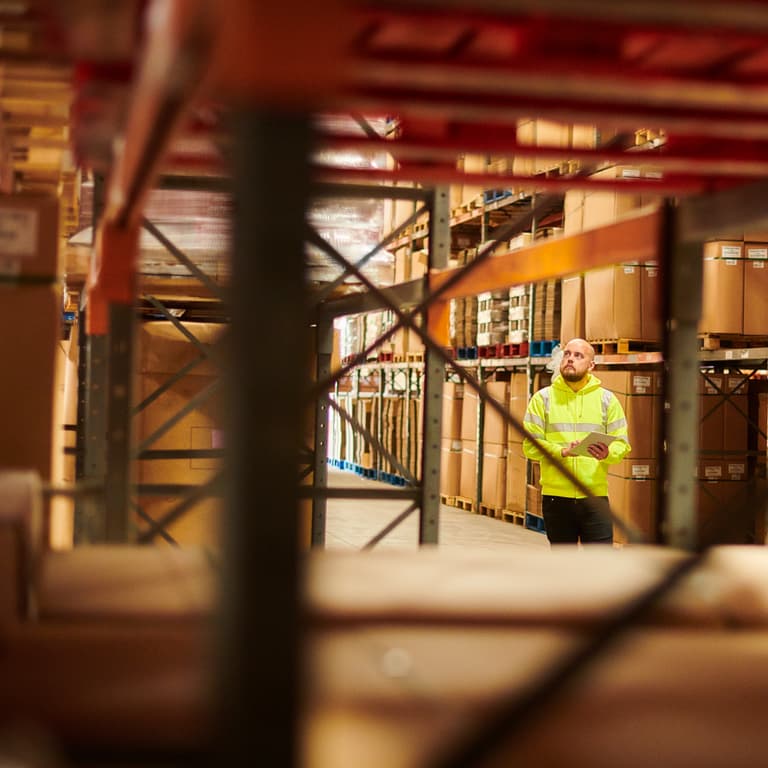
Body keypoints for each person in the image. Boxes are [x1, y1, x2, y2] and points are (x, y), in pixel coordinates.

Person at [522, 338, 630, 544]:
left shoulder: (607, 400)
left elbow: (622, 444)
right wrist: (561, 451)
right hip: (556, 498)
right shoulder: (542, 399)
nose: (570, 359)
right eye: (567, 354)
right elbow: (529, 446)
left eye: (578, 356)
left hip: (594, 497)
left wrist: (608, 453)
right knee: (565, 566)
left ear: (591, 365)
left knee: (599, 564)